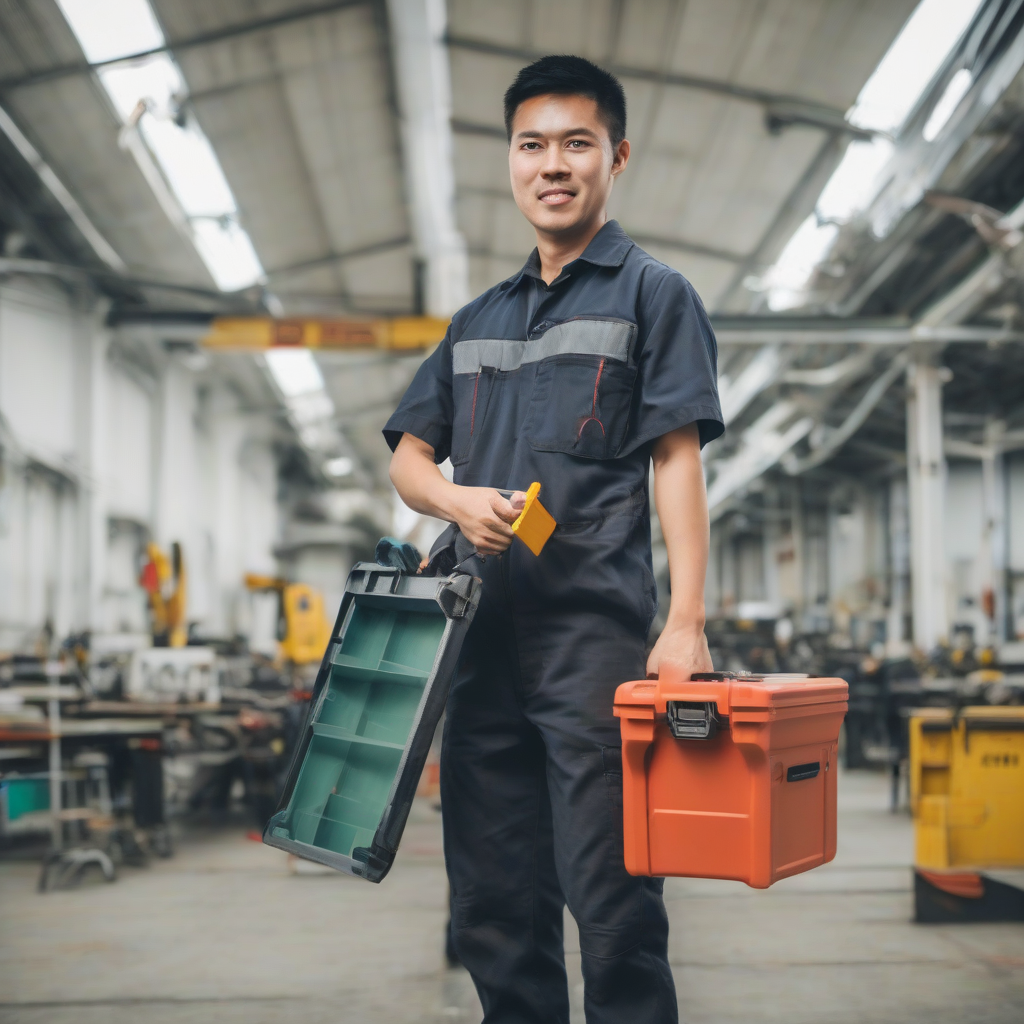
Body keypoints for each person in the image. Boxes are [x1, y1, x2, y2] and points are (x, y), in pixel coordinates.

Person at [385, 54, 723, 1024]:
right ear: (510, 162)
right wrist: (454, 501)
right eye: (532, 145)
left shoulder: (653, 295)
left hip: (593, 648)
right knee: (494, 904)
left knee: (613, 900)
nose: (553, 164)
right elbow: (408, 461)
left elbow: (674, 459)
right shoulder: (474, 322)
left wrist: (684, 622)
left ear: (615, 158)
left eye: (577, 143)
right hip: (477, 645)